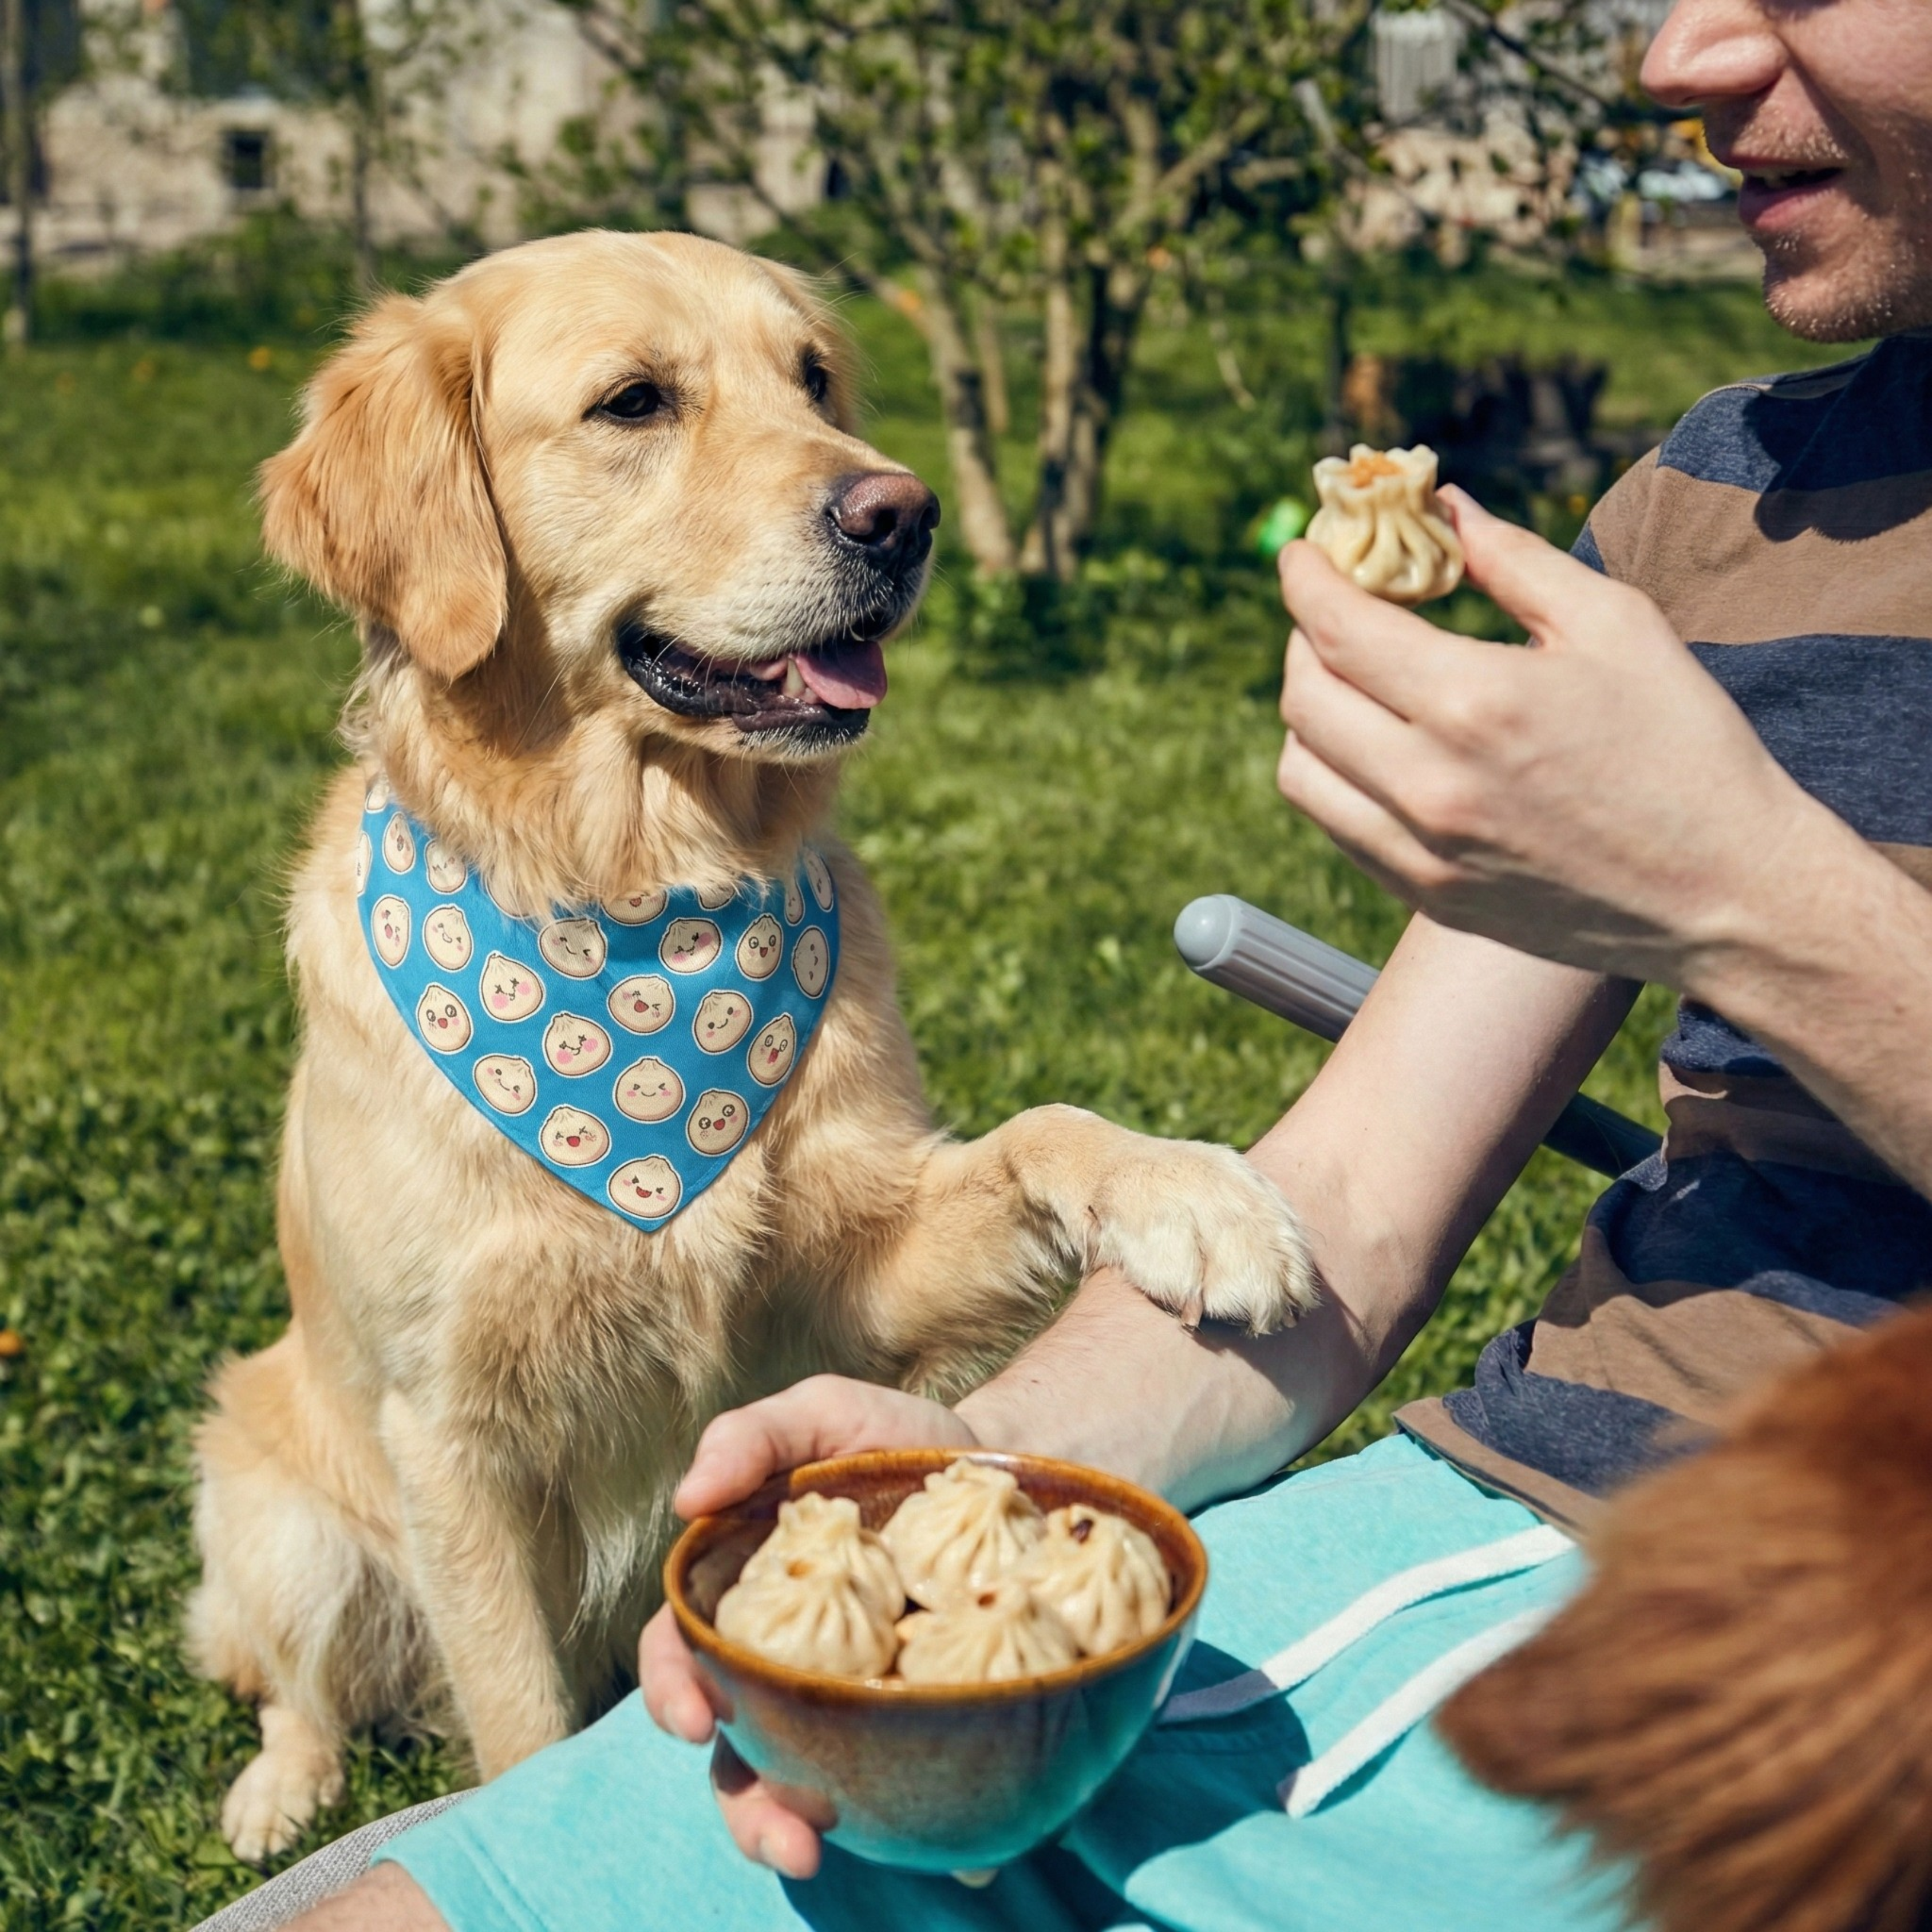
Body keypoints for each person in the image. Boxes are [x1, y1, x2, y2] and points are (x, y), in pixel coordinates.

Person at [254, 0, 1932, 1925]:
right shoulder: (1715, 504)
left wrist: (1743, 893)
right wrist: (973, 1459)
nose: (1678, 58)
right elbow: (1359, 1202)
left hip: (1765, 1619)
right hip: (1525, 1509)